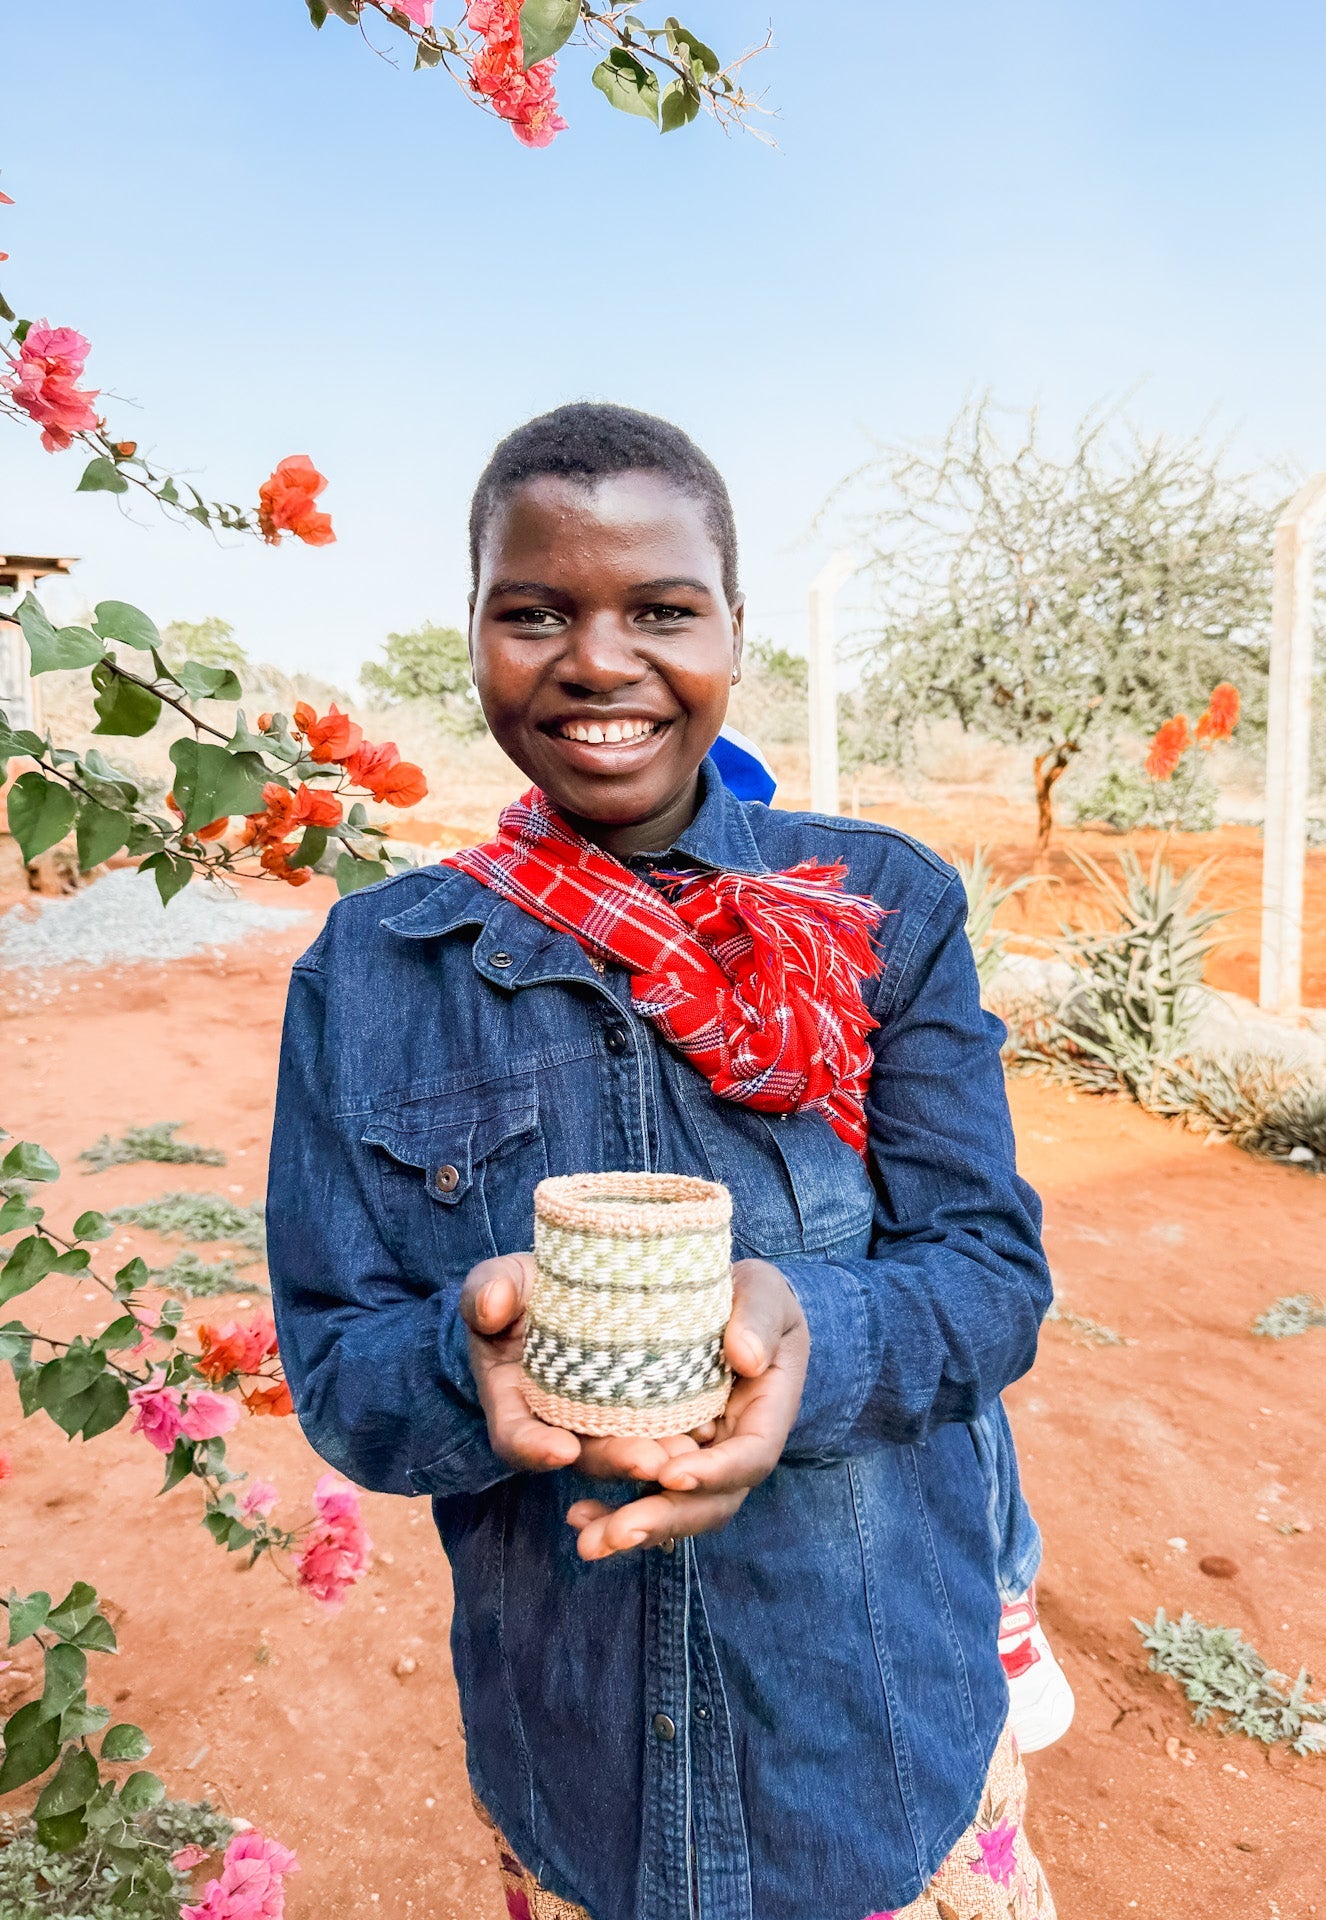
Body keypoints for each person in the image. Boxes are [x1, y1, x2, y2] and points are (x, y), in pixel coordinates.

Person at [267, 403, 1060, 1920]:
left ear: (736, 632)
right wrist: (465, 1364)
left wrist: (811, 1339)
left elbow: (990, 1278)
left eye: (663, 610)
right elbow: (340, 1366)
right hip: (580, 1786)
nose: (600, 661)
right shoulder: (372, 974)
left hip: (878, 1763)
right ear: (480, 634)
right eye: (538, 611)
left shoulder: (877, 913)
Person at [705, 727, 1073, 1756]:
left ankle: (1004, 1587)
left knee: (946, 1378)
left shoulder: (838, 908)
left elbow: (979, 1262)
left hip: (854, 1188)